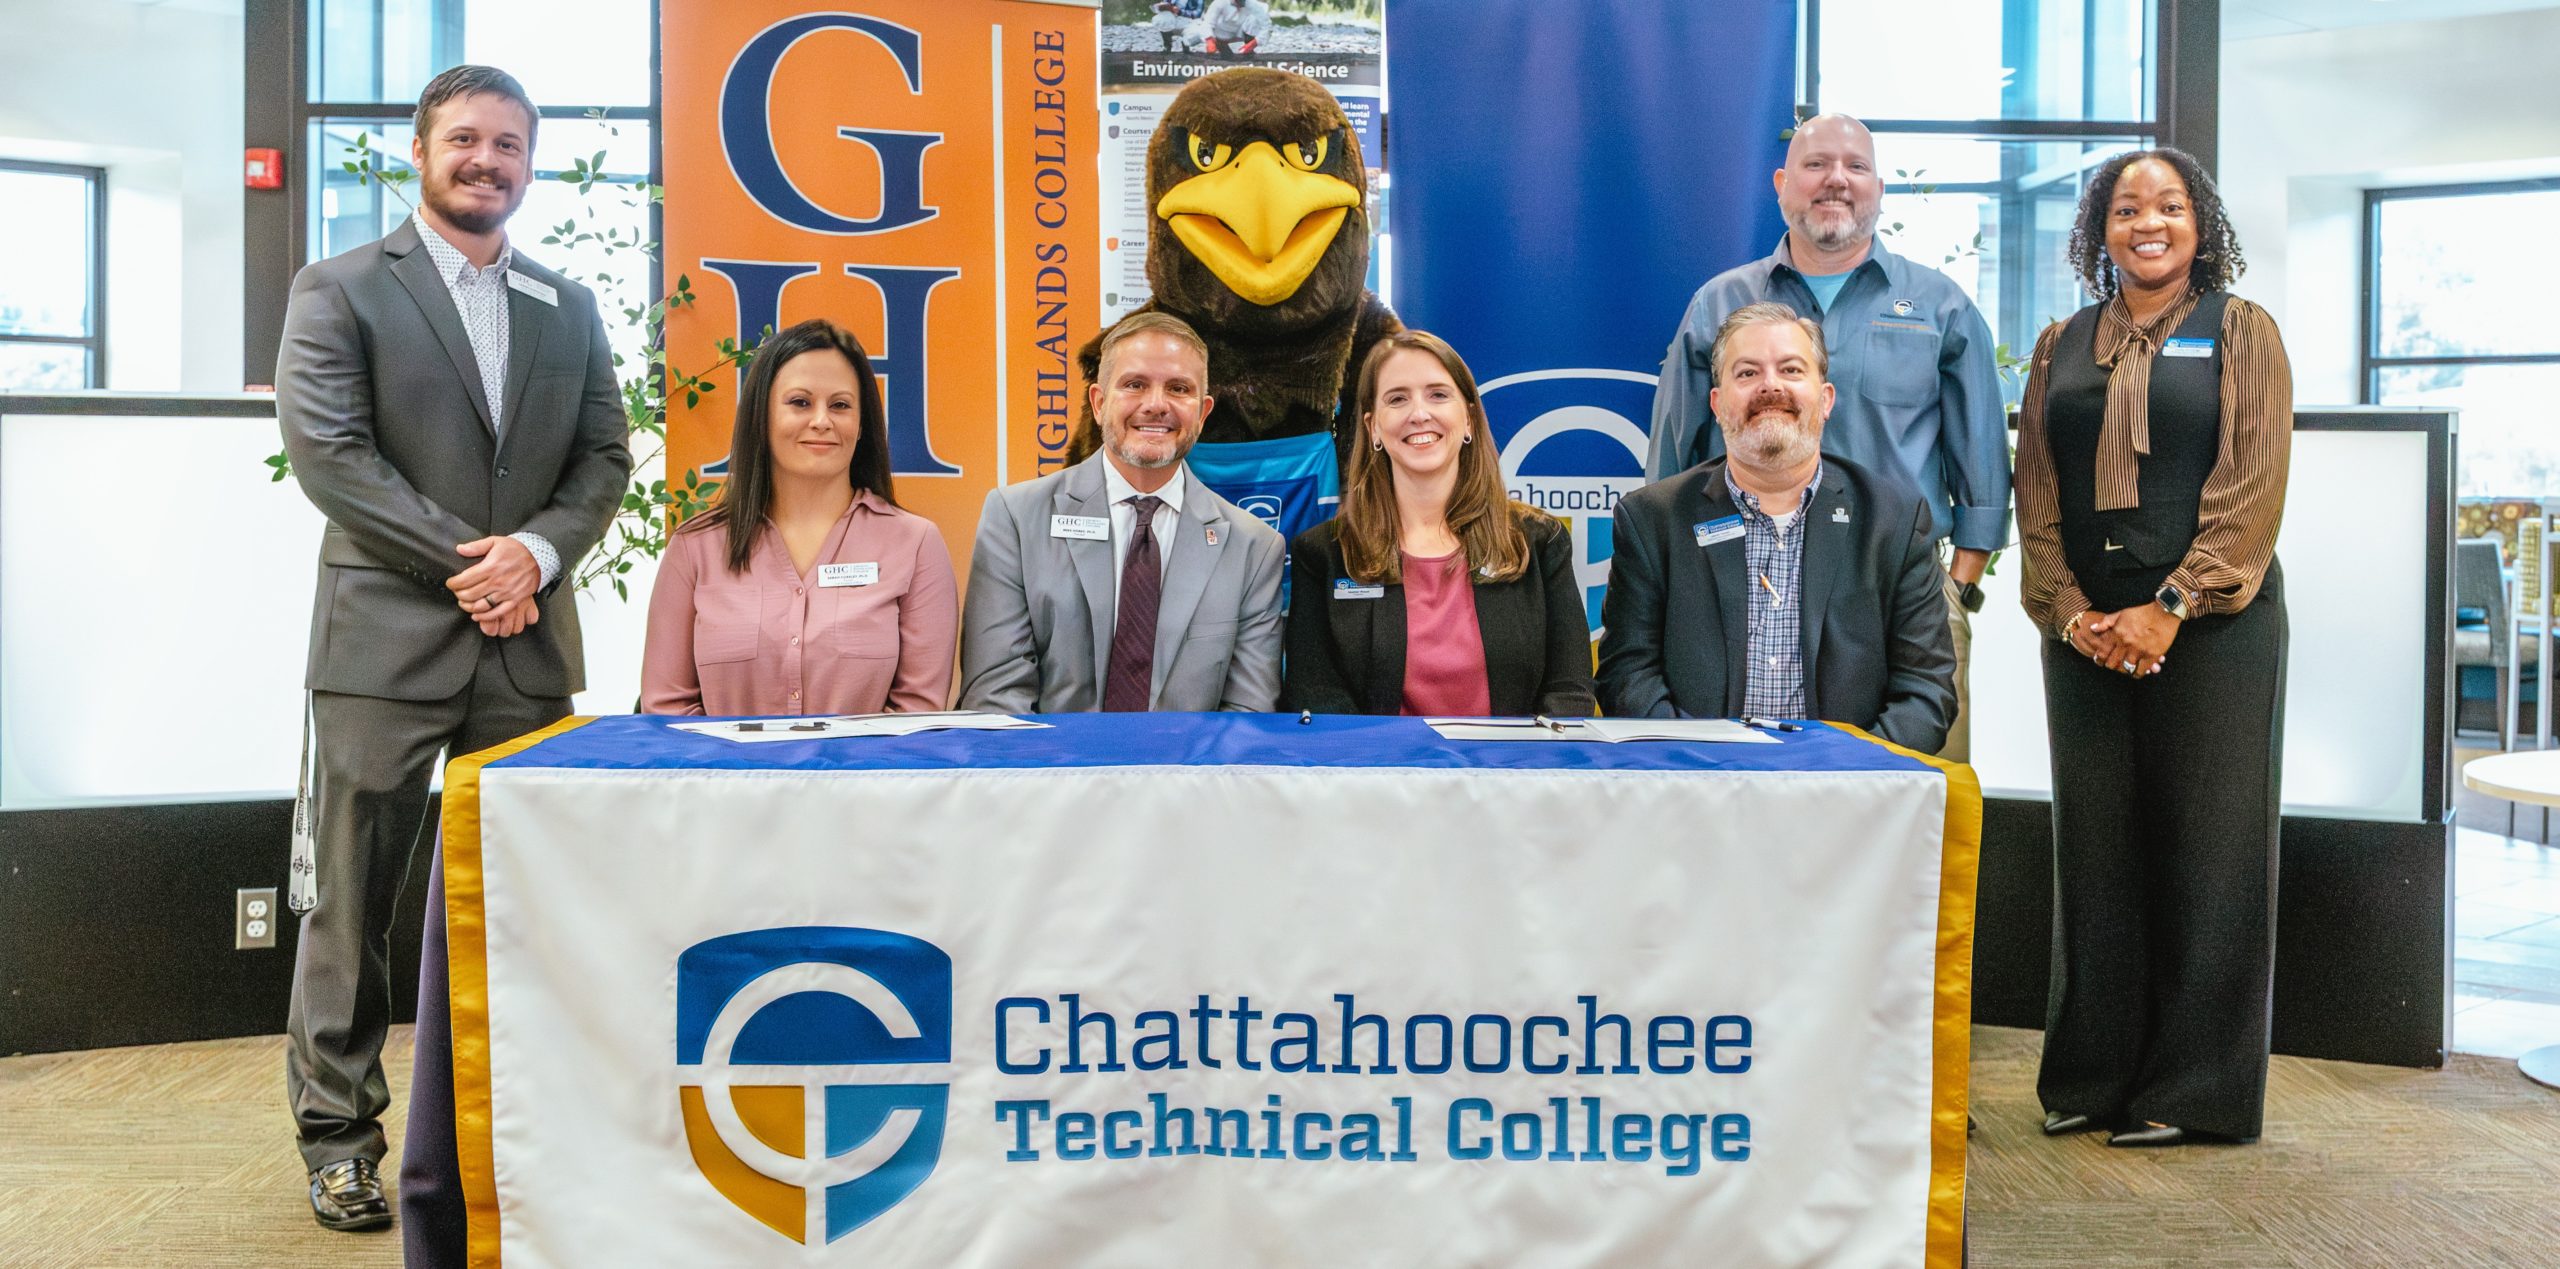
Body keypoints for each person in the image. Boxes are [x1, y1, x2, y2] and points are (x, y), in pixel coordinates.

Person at [274, 64, 630, 1241]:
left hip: (524, 648)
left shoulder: (566, 305)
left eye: (510, 145)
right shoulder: (338, 289)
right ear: (421, 151)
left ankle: (517, 1129)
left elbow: (602, 461)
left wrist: (534, 553)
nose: (489, 161)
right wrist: (476, 564)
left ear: (529, 162)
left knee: (530, 901)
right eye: (467, 140)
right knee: (354, 904)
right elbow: (331, 456)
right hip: (382, 648)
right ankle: (340, 1143)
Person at [2017, 147, 2291, 1149]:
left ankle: (2194, 1090)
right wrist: (2067, 607)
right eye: (2127, 207)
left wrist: (2170, 603)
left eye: (2168, 206)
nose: (2148, 222)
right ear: (2099, 229)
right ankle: (2092, 1078)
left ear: (2197, 223)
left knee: (2208, 855)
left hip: (2214, 629)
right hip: (2085, 630)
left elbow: (2249, 489)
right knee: (2093, 856)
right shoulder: (2063, 341)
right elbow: (2036, 487)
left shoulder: (2241, 331)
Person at [1643, 113, 2007, 761]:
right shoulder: (1719, 303)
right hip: (1736, 586)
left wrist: (1960, 581)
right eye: (1816, 165)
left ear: (1879, 188)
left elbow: (1980, 448)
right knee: (1723, 790)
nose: (1836, 180)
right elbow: (1672, 458)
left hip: (1901, 592)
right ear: (1783, 184)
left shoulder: (1940, 306)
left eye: (1855, 167)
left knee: (1912, 798)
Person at [1599, 302, 1954, 752]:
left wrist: (1846, 776)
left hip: (1846, 797)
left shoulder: (1894, 521)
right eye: (1747, 374)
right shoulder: (1653, 520)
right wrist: (1700, 769)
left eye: (1790, 370)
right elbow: (1626, 677)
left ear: (1825, 399)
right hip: (1697, 793)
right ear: (1717, 403)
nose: (1770, 386)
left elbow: (1925, 692)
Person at [959, 311, 1284, 712]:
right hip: (1049, 771)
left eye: (1179, 388)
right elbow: (996, 699)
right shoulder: (1016, 518)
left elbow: (1246, 716)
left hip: (1191, 774)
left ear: (1202, 413)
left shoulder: (1253, 548)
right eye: (1135, 384)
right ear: (1098, 403)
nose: (1156, 405)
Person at [641, 318, 957, 717]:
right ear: (762, 416)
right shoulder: (693, 548)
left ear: (861, 426)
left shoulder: (916, 544)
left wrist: (829, 777)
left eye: (840, 405)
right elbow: (668, 710)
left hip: (868, 779)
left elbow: (917, 712)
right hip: (725, 779)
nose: (822, 420)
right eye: (800, 402)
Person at [1284, 330, 1594, 716]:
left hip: (1514, 772)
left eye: (1438, 395)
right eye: (1397, 399)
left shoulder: (1539, 542)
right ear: (1373, 428)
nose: (1419, 413)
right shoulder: (1323, 554)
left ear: (1468, 417)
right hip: (1379, 773)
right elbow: (1317, 698)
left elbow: (1570, 690)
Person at [1202, 0, 1271, 56]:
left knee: (1254, 20)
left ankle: (1249, 52)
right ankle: (1222, 49)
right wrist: (1209, 41)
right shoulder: (1219, 3)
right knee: (1226, 56)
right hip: (1220, 35)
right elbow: (1207, 22)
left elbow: (1266, 25)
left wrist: (1255, 42)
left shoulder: (1252, 4)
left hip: (1239, 32)